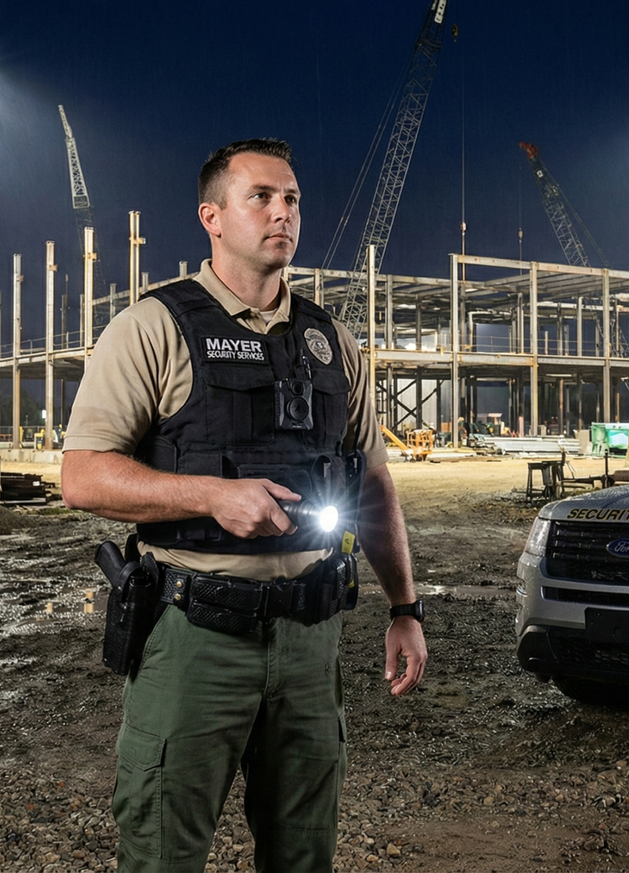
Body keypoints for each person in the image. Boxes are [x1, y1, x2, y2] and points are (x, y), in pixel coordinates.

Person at [60, 138, 427, 873]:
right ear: (213, 217)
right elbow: (82, 475)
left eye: (290, 198)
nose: (281, 212)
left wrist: (404, 608)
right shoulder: (154, 327)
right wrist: (210, 495)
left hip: (309, 639)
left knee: (303, 853)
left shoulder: (332, 344)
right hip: (194, 635)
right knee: (163, 849)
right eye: (259, 196)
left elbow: (374, 483)